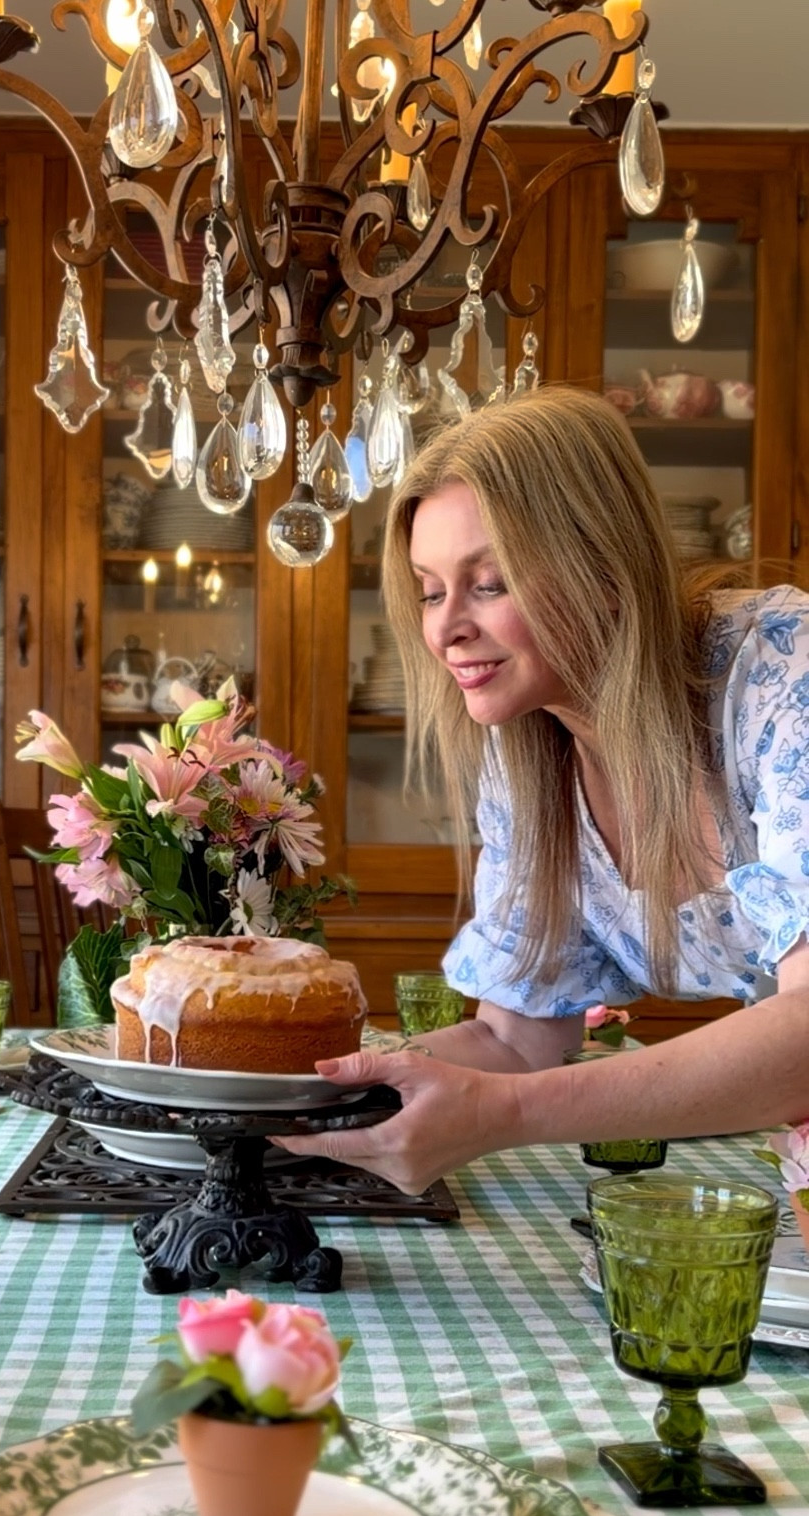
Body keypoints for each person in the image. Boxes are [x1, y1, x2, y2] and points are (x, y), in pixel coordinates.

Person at [274, 385, 809, 1193]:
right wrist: (262, 1087)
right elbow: (516, 1044)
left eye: (489, 583)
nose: (444, 627)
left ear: (602, 563)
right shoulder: (530, 759)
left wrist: (507, 1114)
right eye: (428, 589)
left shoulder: (782, 672)